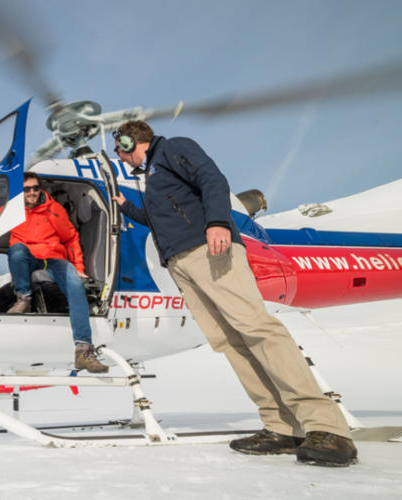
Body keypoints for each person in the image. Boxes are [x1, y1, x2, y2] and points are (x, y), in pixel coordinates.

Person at [110, 120, 357, 467]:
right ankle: (281, 426)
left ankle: (326, 427)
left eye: (120, 151)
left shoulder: (174, 148)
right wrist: (124, 205)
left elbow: (212, 179)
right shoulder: (151, 176)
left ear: (127, 141)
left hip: (207, 250)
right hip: (182, 262)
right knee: (229, 341)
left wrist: (217, 223)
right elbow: (159, 217)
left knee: (257, 329)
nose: (121, 160)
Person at [0, 172, 107, 373]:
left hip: (54, 259)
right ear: (20, 192)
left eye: (35, 188)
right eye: (26, 189)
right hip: (28, 258)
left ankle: (84, 350)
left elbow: (71, 238)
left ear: (40, 189)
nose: (31, 192)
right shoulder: (11, 210)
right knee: (16, 251)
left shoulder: (54, 210)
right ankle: (23, 298)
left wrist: (80, 269)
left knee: (76, 287)